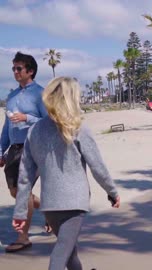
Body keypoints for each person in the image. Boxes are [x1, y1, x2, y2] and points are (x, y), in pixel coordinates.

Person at [12, 77, 120, 270]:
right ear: (72, 98)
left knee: (70, 253)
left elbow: (25, 176)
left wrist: (20, 211)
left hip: (50, 205)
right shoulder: (78, 128)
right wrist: (112, 192)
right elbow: (98, 167)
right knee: (62, 252)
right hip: (74, 204)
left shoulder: (35, 130)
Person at [0, 52, 49, 252]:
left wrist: (27, 118)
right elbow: (6, 127)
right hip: (14, 149)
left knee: (23, 191)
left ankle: (23, 237)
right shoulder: (11, 96)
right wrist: (1, 150)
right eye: (13, 68)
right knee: (15, 191)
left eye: (19, 68)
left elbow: (49, 123)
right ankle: (47, 207)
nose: (15, 72)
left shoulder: (41, 94)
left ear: (30, 71)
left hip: (34, 147)